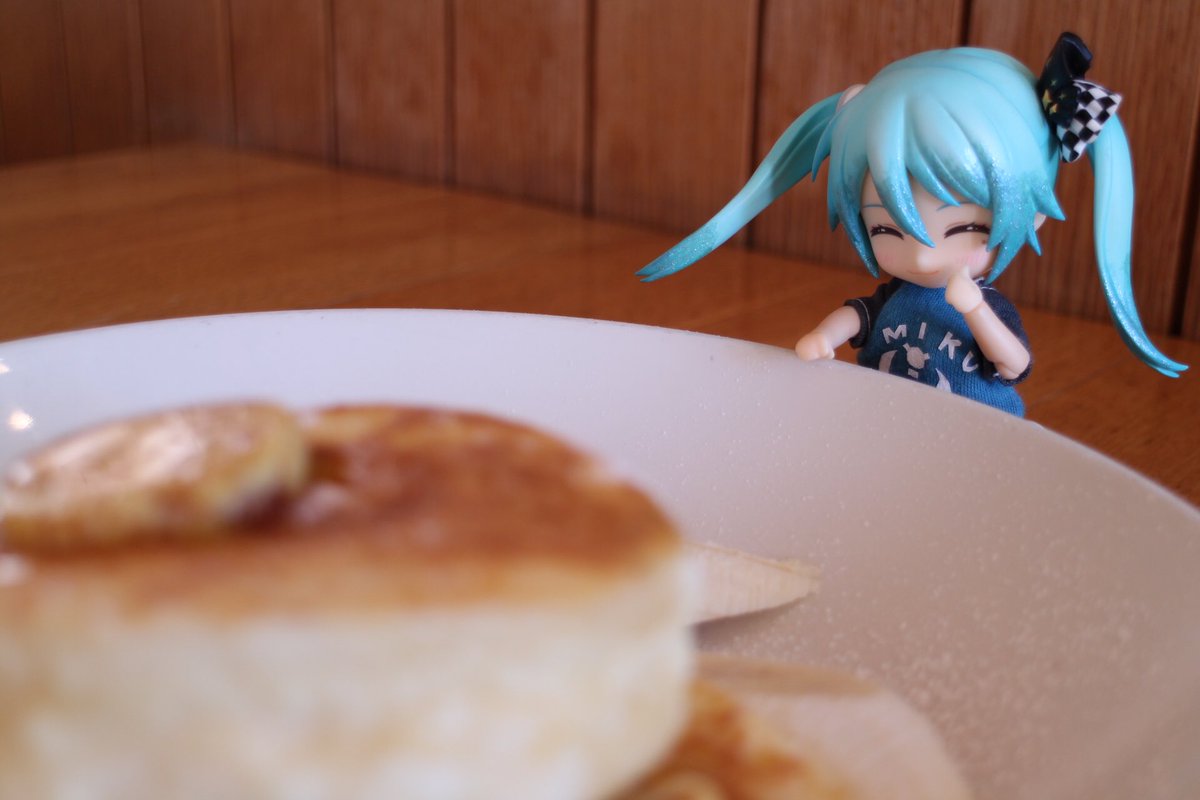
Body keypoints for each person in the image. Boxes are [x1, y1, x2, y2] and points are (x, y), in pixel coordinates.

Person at [637, 34, 1186, 416]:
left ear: (1031, 215)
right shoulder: (893, 301)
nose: (922, 256)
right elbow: (857, 316)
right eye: (886, 231)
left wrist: (975, 309)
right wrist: (823, 337)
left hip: (976, 436)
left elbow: (1014, 364)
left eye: (961, 230)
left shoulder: (987, 306)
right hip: (884, 423)